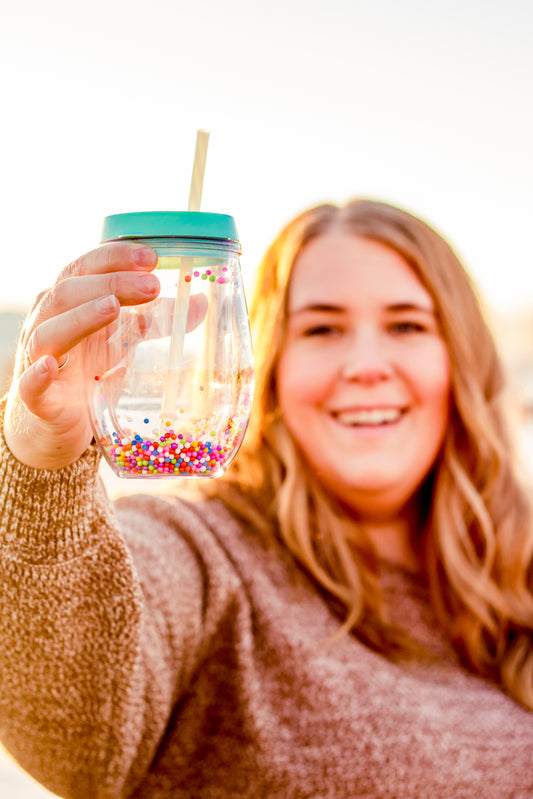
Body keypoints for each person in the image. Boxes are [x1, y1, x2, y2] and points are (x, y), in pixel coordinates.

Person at [0, 199, 531, 799]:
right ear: (268, 363)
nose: (364, 366)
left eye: (406, 325)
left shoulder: (519, 573)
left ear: (461, 358)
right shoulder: (207, 555)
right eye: (322, 328)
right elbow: (73, 734)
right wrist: (44, 459)